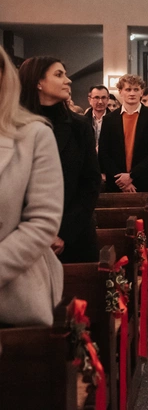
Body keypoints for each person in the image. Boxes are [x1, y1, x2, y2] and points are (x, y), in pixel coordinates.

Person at [0, 48, 65, 326]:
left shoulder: (34, 134)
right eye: (60, 74)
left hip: (11, 294)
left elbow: (42, 219)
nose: (68, 81)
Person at [18, 56, 100, 264]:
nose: (68, 80)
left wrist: (63, 232)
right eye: (58, 74)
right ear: (38, 82)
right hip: (23, 239)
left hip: (74, 236)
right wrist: (37, 232)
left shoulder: (79, 126)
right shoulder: (14, 126)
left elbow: (90, 183)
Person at [99, 74, 148, 192]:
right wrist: (121, 180)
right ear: (120, 91)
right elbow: (103, 152)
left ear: (141, 92)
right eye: (128, 89)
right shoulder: (109, 119)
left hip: (143, 181)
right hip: (116, 182)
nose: (132, 93)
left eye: (136, 89)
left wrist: (131, 176)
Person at [84, 85, 109, 149]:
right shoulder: (83, 121)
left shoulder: (115, 120)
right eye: (96, 98)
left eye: (103, 98)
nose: (100, 102)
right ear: (89, 100)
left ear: (108, 99)